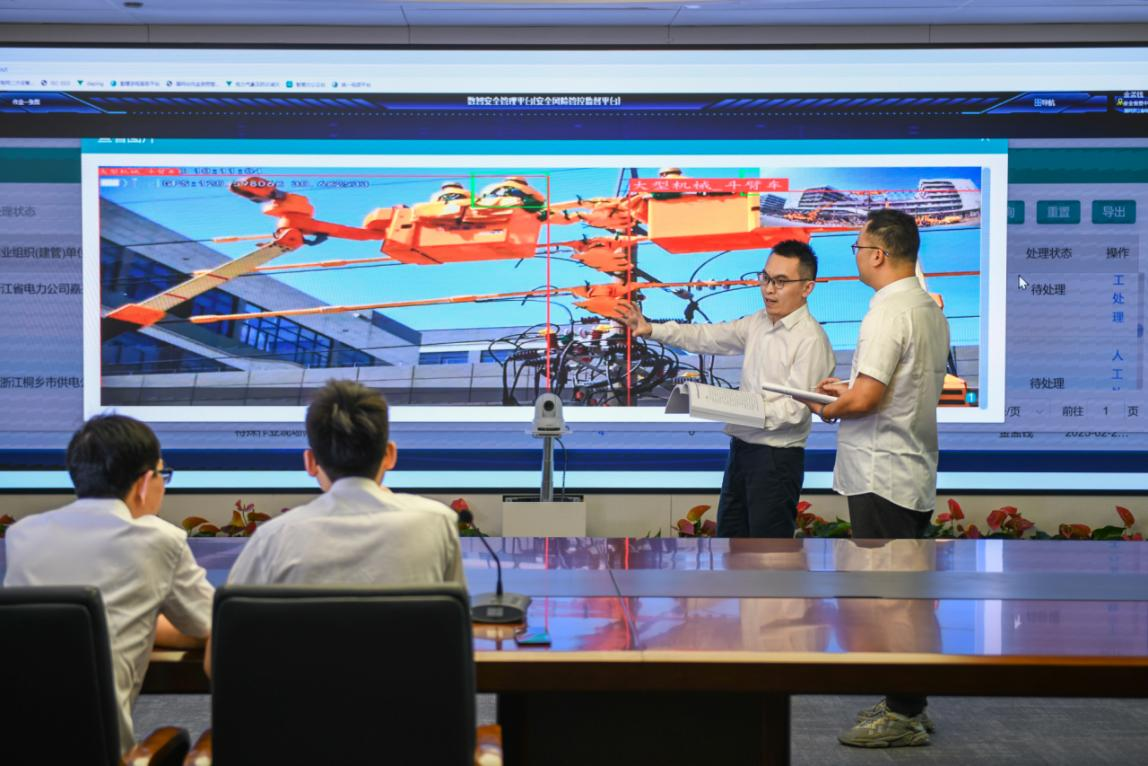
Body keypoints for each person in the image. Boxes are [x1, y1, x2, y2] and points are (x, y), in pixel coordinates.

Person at [806, 209, 949, 747]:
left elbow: (868, 400)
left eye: (857, 247)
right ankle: (907, 701)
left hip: (881, 470)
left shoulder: (888, 311)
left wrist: (829, 406)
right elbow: (896, 388)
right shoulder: (927, 307)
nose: (857, 255)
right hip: (908, 468)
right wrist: (846, 389)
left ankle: (904, 714)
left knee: (891, 598)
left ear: (879, 254)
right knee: (907, 594)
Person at [3, 414, 213, 755]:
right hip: (106, 753)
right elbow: (211, 624)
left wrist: (134, 621)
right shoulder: (159, 538)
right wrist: (140, 621)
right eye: (163, 474)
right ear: (145, 482)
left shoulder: (22, 535)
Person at [617, 239, 835, 538]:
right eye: (765, 278)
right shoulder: (759, 322)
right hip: (741, 452)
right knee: (730, 545)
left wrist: (741, 409)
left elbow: (795, 412)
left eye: (781, 282)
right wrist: (652, 329)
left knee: (769, 553)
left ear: (807, 287)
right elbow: (709, 336)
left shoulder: (811, 340)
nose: (769, 289)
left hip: (776, 461)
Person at [227, 379, 465, 588]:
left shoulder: (273, 538)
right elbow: (454, 617)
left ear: (310, 462)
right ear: (390, 455)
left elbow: (229, 622)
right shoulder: (438, 522)